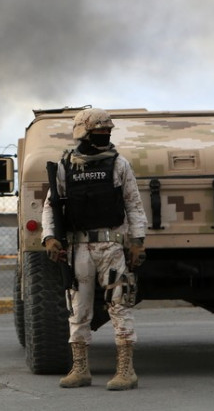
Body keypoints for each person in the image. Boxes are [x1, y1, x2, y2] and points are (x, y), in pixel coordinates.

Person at [41, 108, 148, 390]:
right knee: (78, 310)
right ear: (84, 133)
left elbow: (133, 204)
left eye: (107, 132)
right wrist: (50, 238)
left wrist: (137, 242)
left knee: (119, 305)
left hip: (111, 246)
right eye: (100, 132)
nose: (105, 136)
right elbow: (51, 206)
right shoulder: (65, 165)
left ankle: (126, 370)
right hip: (78, 248)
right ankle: (80, 369)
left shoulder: (119, 163)